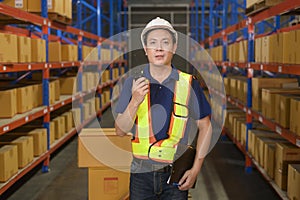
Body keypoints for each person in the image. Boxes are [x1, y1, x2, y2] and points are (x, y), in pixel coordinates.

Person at [114, 17, 212, 200]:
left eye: (165, 42)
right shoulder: (133, 82)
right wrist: (134, 100)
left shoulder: (189, 83)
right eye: (153, 43)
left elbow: (205, 126)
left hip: (176, 174)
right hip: (141, 175)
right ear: (145, 49)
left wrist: (196, 169)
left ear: (174, 48)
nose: (159, 48)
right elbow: (120, 130)